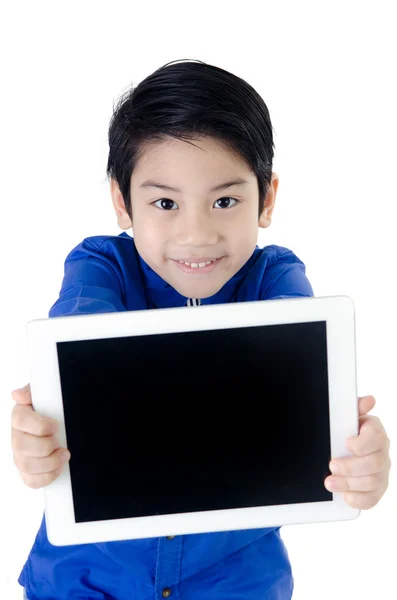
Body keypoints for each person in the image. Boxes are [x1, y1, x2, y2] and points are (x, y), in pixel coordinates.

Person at [11, 59, 391, 600]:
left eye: (225, 201)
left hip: (235, 583)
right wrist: (44, 427)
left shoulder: (276, 276)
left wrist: (358, 463)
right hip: (86, 580)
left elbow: (295, 374)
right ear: (123, 202)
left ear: (267, 199)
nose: (196, 235)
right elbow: (82, 344)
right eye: (165, 203)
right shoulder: (101, 265)